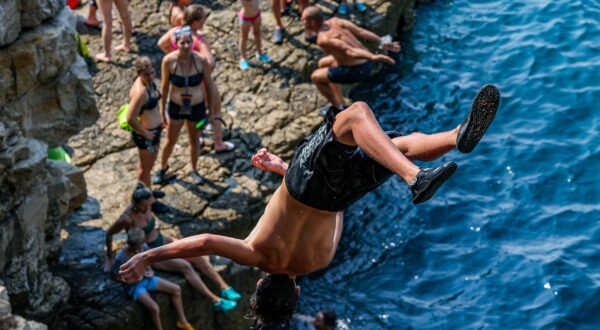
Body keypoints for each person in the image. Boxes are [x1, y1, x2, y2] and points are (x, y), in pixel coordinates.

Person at [120, 85, 501, 327]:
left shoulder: (319, 262)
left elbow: (332, 211)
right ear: (259, 284)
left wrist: (287, 170)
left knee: (391, 145)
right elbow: (202, 241)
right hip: (306, 186)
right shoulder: (256, 255)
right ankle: (418, 173)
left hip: (336, 198)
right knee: (356, 115)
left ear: (297, 294)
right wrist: (145, 258)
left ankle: (455, 137)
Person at [106, 183, 241, 311]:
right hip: (152, 252)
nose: (147, 208)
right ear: (136, 203)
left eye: (149, 204)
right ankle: (216, 300)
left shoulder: (147, 203)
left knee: (198, 257)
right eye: (144, 206)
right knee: (186, 267)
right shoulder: (127, 218)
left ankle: (225, 287)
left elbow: (149, 196)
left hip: (163, 239)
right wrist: (109, 257)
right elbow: (109, 233)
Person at [152, 27, 235, 186]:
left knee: (194, 139)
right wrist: (162, 112)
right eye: (182, 43)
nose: (186, 45)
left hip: (197, 107)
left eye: (189, 42)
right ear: (176, 44)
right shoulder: (168, 61)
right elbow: (164, 87)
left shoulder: (200, 60)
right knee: (170, 140)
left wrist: (211, 112)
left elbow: (209, 86)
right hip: (176, 106)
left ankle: (194, 170)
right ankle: (162, 169)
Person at [302, 6, 401, 108]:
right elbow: (360, 31)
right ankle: (340, 100)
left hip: (357, 70)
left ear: (312, 22)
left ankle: (338, 108)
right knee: (322, 63)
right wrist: (381, 41)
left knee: (315, 77)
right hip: (364, 61)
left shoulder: (323, 39)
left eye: (303, 20)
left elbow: (349, 51)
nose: (301, 22)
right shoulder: (336, 21)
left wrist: (373, 57)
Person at [110, 228, 194, 330]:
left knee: (176, 289)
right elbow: (113, 275)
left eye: (140, 246)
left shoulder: (144, 247)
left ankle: (182, 321)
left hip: (146, 278)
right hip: (134, 286)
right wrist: (130, 280)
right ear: (131, 245)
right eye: (137, 248)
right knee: (154, 308)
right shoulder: (121, 257)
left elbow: (147, 261)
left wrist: (150, 271)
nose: (139, 250)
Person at [125, 57, 169, 213]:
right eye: (146, 74)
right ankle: (147, 199)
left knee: (145, 167)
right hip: (147, 136)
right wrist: (146, 133)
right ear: (139, 74)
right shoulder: (140, 92)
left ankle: (146, 189)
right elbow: (130, 118)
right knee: (146, 169)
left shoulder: (149, 83)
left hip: (154, 131)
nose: (150, 76)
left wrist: (162, 117)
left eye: (152, 72)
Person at [158, 5, 215, 72]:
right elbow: (210, 64)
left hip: (178, 74)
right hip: (195, 79)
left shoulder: (174, 32)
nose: (204, 20)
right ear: (195, 22)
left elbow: (161, 44)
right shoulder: (201, 40)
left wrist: (177, 57)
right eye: (203, 18)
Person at [239, 0, 273, 70]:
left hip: (257, 15)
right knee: (243, 37)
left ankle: (260, 53)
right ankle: (243, 58)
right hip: (245, 18)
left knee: (257, 33)